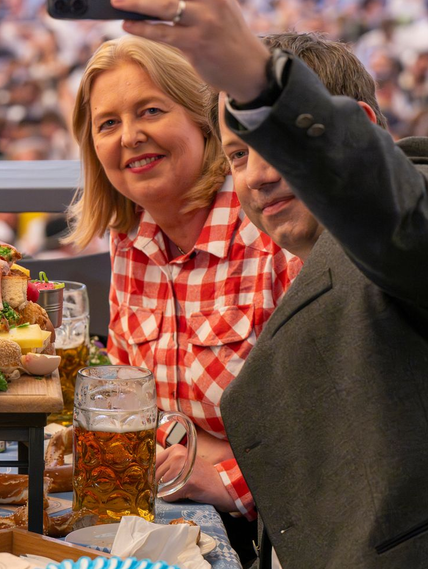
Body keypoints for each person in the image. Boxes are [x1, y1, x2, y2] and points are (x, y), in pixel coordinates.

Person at [113, 0, 428, 568]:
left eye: (272, 142)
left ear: (355, 128)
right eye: (237, 155)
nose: (254, 178)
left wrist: (261, 82)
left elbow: (402, 222)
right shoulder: (310, 264)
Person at [63, 36, 301, 542]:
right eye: (108, 123)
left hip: (277, 530)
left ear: (202, 120)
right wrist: (194, 450)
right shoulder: (130, 237)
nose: (129, 137)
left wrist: (229, 474)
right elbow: (133, 403)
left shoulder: (272, 227)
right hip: (175, 510)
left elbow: (332, 433)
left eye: (150, 110)